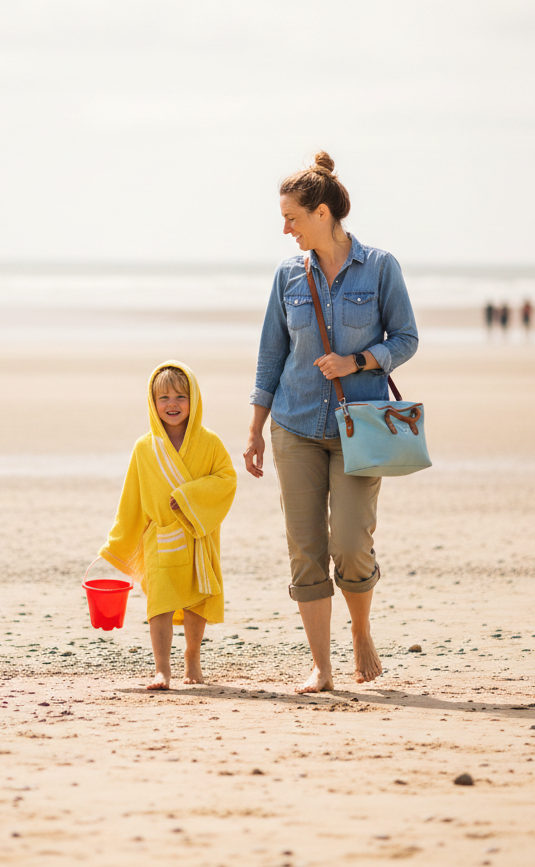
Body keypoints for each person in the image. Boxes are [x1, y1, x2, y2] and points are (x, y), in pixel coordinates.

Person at [243, 152, 419, 693]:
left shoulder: (381, 267)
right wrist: (254, 428)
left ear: (322, 213)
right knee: (305, 547)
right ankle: (322, 666)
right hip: (293, 427)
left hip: (359, 428)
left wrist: (358, 361)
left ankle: (360, 631)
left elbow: (405, 339)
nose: (285, 227)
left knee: (349, 541)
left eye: (292, 216)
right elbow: (271, 356)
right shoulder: (287, 275)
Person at [98, 362, 236, 690]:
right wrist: (117, 543)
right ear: (152, 402)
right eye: (163, 398)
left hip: (198, 535)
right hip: (159, 536)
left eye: (180, 396)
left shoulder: (210, 443)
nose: (172, 404)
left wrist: (189, 497)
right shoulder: (144, 449)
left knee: (196, 599)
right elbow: (131, 499)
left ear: (194, 399)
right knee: (159, 602)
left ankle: (192, 657)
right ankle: (162, 669)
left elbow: (226, 480)